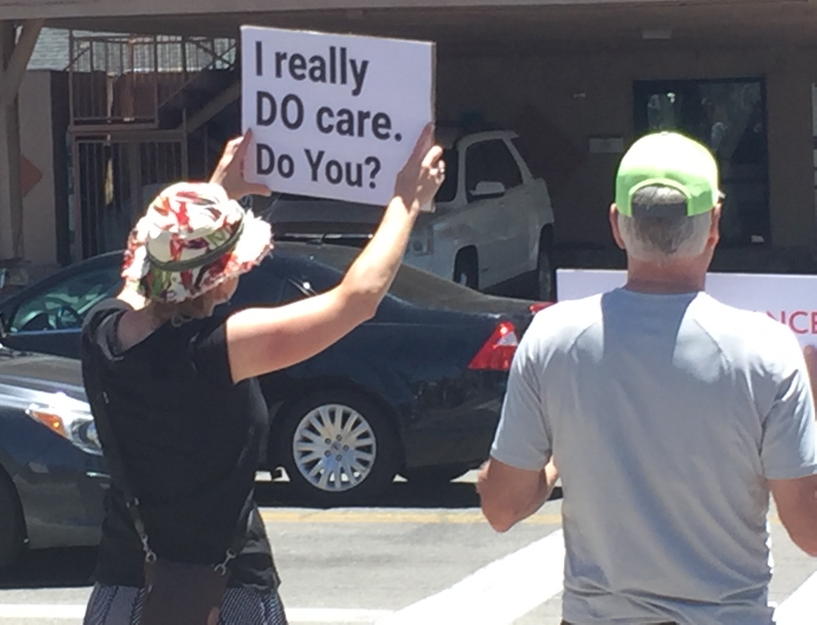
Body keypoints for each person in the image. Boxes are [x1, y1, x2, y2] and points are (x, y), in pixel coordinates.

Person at [81, 127, 444, 625]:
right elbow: (356, 300)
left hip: (125, 589)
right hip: (223, 593)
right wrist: (406, 199)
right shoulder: (220, 349)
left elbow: (152, 276)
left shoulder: (103, 332)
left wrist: (218, 191)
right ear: (224, 274)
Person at [476, 130, 817, 625]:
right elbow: (808, 529)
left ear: (617, 225)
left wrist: (554, 461)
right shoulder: (767, 351)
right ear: (715, 223)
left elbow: (501, 508)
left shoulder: (552, 339)